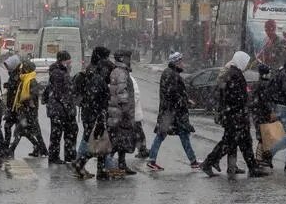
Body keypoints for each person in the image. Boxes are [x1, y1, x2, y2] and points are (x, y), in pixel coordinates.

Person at [201, 51, 266, 178]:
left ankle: (252, 168)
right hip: (236, 118)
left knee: (243, 143)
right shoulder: (235, 76)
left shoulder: (232, 74)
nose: (247, 65)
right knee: (230, 143)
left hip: (234, 117)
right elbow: (236, 98)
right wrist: (246, 103)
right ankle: (208, 163)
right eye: (246, 62)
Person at [146, 52, 199, 171]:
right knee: (180, 135)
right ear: (176, 63)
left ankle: (152, 159)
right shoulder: (173, 75)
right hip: (174, 113)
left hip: (169, 112)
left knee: (165, 135)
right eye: (181, 62)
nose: (183, 64)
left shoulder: (169, 73)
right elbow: (173, 94)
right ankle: (193, 161)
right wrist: (184, 102)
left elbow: (173, 93)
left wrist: (185, 100)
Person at [72, 46, 113, 180]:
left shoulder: (93, 73)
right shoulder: (98, 77)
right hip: (94, 114)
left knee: (97, 140)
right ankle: (81, 162)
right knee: (95, 141)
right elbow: (96, 98)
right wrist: (100, 116)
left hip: (90, 113)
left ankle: (100, 169)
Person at [104, 49, 138, 177]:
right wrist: (125, 110)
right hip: (121, 112)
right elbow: (122, 92)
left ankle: (121, 164)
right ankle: (110, 165)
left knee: (121, 140)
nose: (130, 60)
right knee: (117, 140)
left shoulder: (117, 71)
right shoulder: (122, 73)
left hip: (117, 111)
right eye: (129, 58)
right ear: (123, 59)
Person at [7, 60, 48, 158]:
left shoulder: (31, 81)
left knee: (20, 131)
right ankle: (41, 149)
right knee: (26, 132)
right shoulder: (25, 80)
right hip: (26, 111)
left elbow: (33, 95)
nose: (21, 70)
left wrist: (24, 103)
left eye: (22, 69)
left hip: (29, 112)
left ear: (27, 69)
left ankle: (11, 150)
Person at [44, 51, 78, 165]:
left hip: (60, 109)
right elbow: (60, 93)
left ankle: (67, 156)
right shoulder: (58, 73)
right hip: (59, 109)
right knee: (59, 133)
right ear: (63, 61)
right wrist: (68, 108)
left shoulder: (60, 71)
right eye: (69, 61)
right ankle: (57, 157)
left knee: (65, 132)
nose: (70, 63)